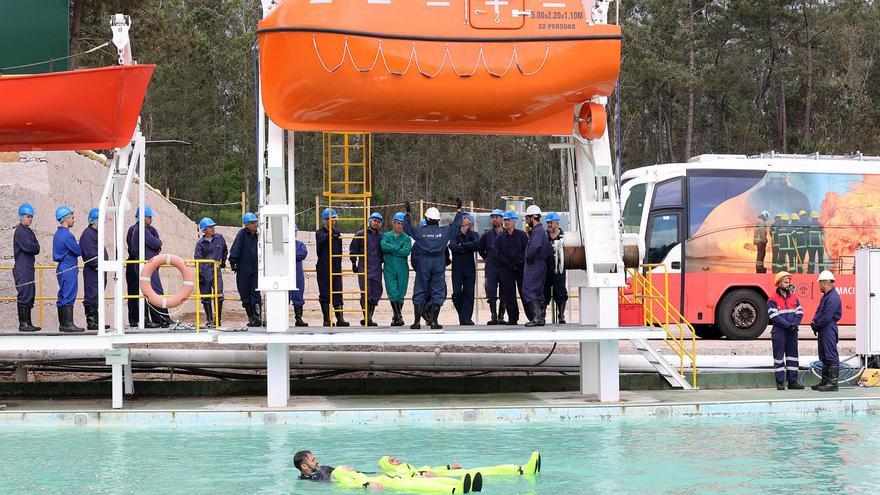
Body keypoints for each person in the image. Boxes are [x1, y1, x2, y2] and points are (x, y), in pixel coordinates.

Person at [403, 200, 464, 330]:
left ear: (426, 218)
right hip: (438, 262)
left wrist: (407, 214)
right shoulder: (445, 231)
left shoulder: (420, 231)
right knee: (438, 290)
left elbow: (407, 228)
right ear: (438, 220)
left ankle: (416, 322)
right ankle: (434, 322)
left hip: (424, 262)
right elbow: (456, 225)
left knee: (420, 290)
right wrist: (459, 211)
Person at [293, 450, 477, 493]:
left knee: (413, 481)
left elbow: (345, 473)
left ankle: (462, 485)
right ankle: (456, 490)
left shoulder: (324, 469)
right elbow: (336, 485)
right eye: (312, 459)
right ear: (304, 466)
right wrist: (365, 484)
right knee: (411, 485)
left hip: (371, 479)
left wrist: (367, 474)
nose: (316, 460)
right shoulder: (312, 481)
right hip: (364, 485)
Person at [126, 206, 168, 328]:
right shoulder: (137, 230)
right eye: (149, 217)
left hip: (148, 263)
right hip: (139, 264)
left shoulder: (150, 229)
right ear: (143, 217)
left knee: (149, 291)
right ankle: (142, 320)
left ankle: (157, 319)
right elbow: (155, 243)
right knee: (139, 292)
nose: (151, 220)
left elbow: (158, 244)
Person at [768, 271, 805, 390]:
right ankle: (780, 382)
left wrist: (794, 325)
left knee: (792, 357)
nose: (788, 284)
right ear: (778, 283)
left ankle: (792, 382)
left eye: (788, 282)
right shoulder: (772, 299)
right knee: (779, 357)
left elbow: (800, 312)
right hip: (779, 332)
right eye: (785, 282)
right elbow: (774, 317)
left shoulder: (794, 297)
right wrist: (789, 325)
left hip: (792, 331)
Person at [378, 451, 540, 478]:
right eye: (391, 460)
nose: (396, 460)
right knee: (483, 472)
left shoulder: (407, 466)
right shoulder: (395, 473)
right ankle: (521, 471)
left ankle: (521, 469)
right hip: (439, 478)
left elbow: (430, 470)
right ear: (387, 465)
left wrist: (449, 466)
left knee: (483, 469)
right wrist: (423, 475)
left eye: (394, 458)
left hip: (442, 474)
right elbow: (407, 478)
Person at [315, 208, 349, 327]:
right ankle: (327, 319)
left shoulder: (337, 233)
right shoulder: (320, 233)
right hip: (324, 267)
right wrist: (329, 234)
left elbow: (339, 251)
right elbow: (321, 243)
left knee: (337, 292)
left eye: (335, 219)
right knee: (325, 293)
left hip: (336, 267)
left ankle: (340, 319)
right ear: (325, 220)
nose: (334, 221)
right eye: (332, 219)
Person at [52, 206, 84, 333]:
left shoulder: (57, 234)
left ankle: (63, 324)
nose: (73, 220)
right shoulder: (66, 235)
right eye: (72, 217)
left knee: (62, 294)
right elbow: (78, 250)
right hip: (68, 267)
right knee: (69, 294)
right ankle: (68, 324)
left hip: (62, 268)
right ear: (65, 219)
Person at [810, 270, 842, 392]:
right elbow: (819, 311)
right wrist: (814, 322)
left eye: (820, 282)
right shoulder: (827, 296)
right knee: (824, 355)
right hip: (824, 328)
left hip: (828, 328)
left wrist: (817, 325)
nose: (819, 285)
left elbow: (827, 316)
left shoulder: (833, 297)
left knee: (831, 355)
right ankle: (825, 381)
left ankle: (832, 383)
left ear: (825, 282)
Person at [350, 212, 384, 326]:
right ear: (370, 221)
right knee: (366, 293)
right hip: (364, 268)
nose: (376, 223)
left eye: (378, 222)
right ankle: (367, 318)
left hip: (377, 269)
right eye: (374, 220)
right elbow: (353, 250)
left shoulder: (381, 237)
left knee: (376, 293)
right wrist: (353, 263)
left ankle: (369, 318)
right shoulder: (360, 234)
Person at [496, 210, 530, 325]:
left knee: (524, 293)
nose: (506, 222)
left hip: (520, 269)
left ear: (515, 221)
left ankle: (531, 316)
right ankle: (512, 318)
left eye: (509, 220)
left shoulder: (522, 235)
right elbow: (498, 253)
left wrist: (518, 262)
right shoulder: (500, 237)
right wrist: (507, 263)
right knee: (509, 294)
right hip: (507, 270)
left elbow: (526, 251)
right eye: (505, 220)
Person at [194, 217, 227, 329]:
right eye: (210, 227)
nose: (213, 229)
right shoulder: (200, 244)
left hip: (216, 270)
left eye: (213, 227)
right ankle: (209, 319)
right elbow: (197, 259)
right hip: (205, 271)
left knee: (219, 294)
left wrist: (223, 261)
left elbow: (225, 249)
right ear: (204, 230)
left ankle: (218, 319)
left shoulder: (219, 238)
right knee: (205, 296)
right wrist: (200, 273)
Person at [230, 212, 262, 327]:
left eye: (256, 222)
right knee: (244, 293)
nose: (255, 224)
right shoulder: (242, 234)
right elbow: (236, 248)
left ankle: (257, 318)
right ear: (246, 224)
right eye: (252, 223)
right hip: (243, 268)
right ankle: (251, 317)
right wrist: (233, 262)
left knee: (255, 292)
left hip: (256, 268)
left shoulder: (260, 235)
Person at [79, 208, 108, 331]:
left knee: (98, 295)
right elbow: (89, 254)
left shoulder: (95, 234)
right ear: (94, 220)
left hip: (99, 270)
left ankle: (98, 321)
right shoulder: (88, 234)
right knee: (92, 295)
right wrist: (98, 265)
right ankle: (92, 322)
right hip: (93, 271)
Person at [381, 212, 412, 326]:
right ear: (393, 223)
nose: (400, 226)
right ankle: (399, 316)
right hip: (389, 268)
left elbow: (406, 251)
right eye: (398, 223)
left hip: (402, 269)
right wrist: (398, 247)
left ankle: (396, 317)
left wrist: (391, 250)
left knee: (401, 293)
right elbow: (383, 246)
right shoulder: (386, 236)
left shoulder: (406, 238)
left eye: (402, 224)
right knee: (392, 292)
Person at [13, 203, 40, 332]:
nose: (30, 219)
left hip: (29, 268)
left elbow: (37, 248)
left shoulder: (29, 231)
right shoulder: (20, 231)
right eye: (28, 216)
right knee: (24, 294)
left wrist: (34, 246)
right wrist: (33, 246)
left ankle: (28, 322)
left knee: (30, 293)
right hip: (22, 267)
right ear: (21, 217)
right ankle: (23, 324)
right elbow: (30, 247)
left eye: (31, 217)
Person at [449, 212, 480, 325]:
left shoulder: (474, 234)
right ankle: (463, 316)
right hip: (457, 269)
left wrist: (462, 245)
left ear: (470, 221)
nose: (463, 218)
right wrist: (467, 247)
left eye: (466, 217)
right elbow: (453, 247)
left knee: (469, 293)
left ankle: (466, 319)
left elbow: (476, 245)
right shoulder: (454, 234)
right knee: (456, 293)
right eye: (462, 217)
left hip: (469, 268)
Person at [522, 205, 550, 327]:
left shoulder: (537, 231)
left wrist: (528, 257)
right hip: (538, 264)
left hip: (535, 264)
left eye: (527, 218)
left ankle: (537, 318)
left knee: (528, 289)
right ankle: (540, 318)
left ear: (532, 218)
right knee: (537, 291)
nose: (526, 220)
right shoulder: (540, 230)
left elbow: (533, 248)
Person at [478, 209, 506, 325]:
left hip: (504, 267)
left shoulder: (506, 234)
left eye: (496, 217)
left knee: (504, 291)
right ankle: (493, 316)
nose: (494, 219)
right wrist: (486, 258)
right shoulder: (487, 235)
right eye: (492, 217)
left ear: (502, 219)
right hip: (491, 267)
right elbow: (480, 248)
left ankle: (501, 316)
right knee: (491, 291)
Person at [544, 212, 568, 324]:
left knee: (560, 291)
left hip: (559, 269)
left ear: (557, 223)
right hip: (546, 269)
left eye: (551, 222)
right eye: (548, 223)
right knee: (544, 291)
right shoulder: (544, 236)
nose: (549, 225)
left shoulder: (564, 237)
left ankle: (561, 315)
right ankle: (542, 315)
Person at [289, 224, 309, 327]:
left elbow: (303, 254)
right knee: (284, 296)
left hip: (297, 274)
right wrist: (293, 254)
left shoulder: (300, 244)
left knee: (298, 296)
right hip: (285, 274)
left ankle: (298, 318)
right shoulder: (283, 245)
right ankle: (281, 318)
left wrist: (290, 254)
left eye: (295, 232)